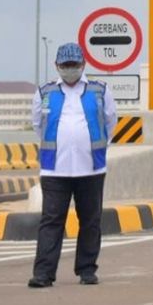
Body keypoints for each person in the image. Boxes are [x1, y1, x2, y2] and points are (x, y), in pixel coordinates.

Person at [28, 42, 117, 288]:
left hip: (91, 167)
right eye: (65, 65)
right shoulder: (44, 92)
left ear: (83, 64)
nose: (70, 69)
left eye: (74, 65)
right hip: (54, 168)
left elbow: (110, 122)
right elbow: (38, 125)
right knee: (51, 220)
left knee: (90, 220)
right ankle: (43, 273)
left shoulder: (99, 90)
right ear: (57, 66)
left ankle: (87, 269)